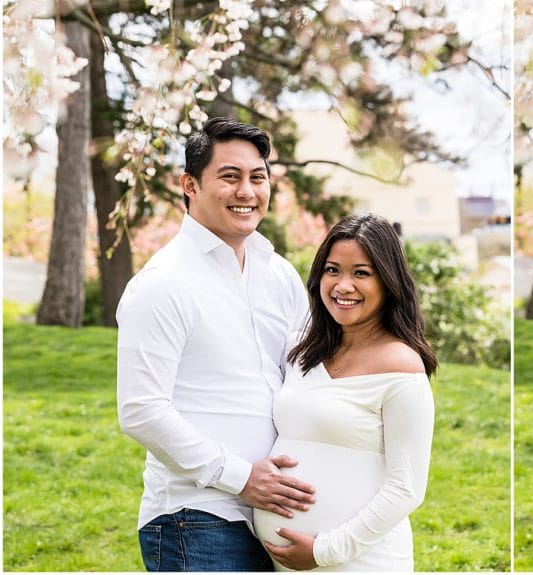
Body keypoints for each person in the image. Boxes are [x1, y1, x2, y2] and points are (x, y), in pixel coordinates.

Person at [117, 118, 318, 571]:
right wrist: (242, 478)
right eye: (230, 177)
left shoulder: (278, 273)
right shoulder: (163, 283)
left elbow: (307, 375)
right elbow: (141, 410)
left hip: (278, 518)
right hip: (198, 518)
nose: (246, 191)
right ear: (189, 184)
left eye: (257, 177)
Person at [254, 213, 437, 572]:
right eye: (333, 270)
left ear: (388, 281)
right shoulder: (303, 352)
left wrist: (326, 550)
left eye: (361, 273)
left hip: (360, 559)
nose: (343, 286)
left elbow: (407, 487)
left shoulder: (401, 366)